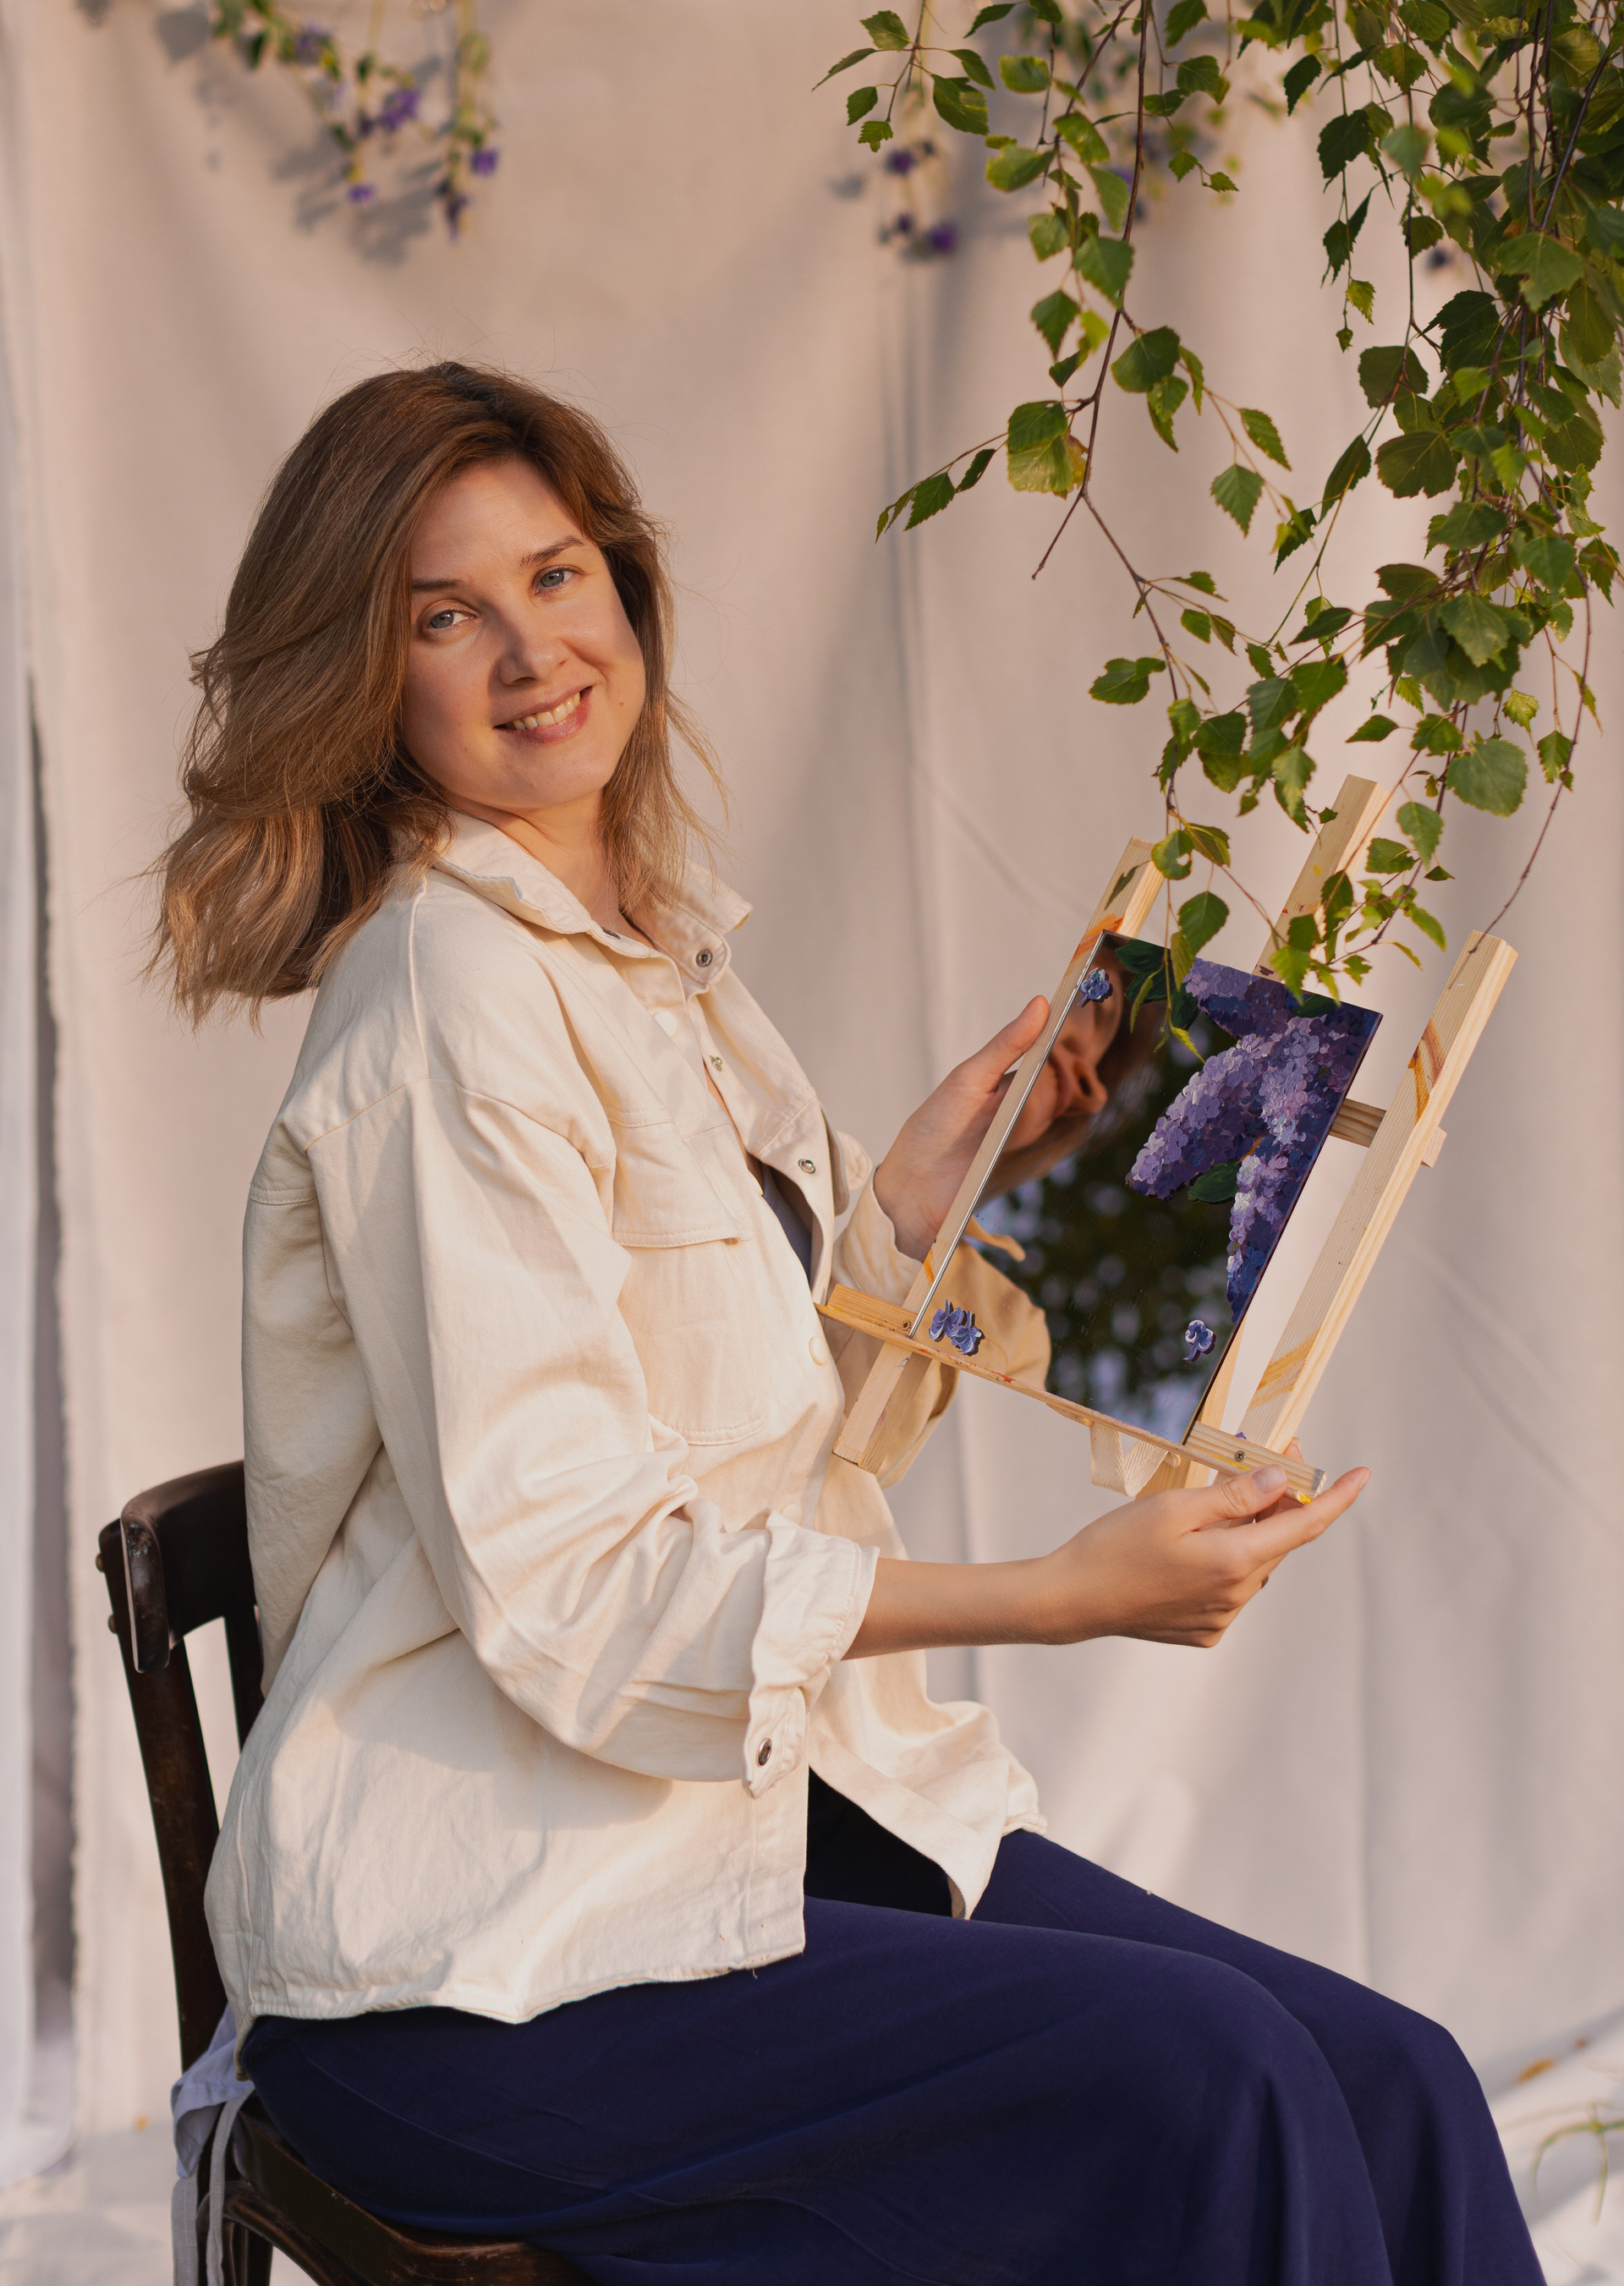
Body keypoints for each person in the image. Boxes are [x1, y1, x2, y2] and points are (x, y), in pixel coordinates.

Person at [154, 362, 1539, 2286]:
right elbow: (575, 1582)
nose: (533, 652)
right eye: (443, 615)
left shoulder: (655, 960)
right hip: (476, 1964)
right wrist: (1054, 1595)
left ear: (626, 584)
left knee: (1395, 2080)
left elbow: (727, 1418)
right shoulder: (447, 996)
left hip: (724, 1816)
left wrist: (908, 1210)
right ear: (364, 678)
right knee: (1213, 2081)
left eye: (555, 576)